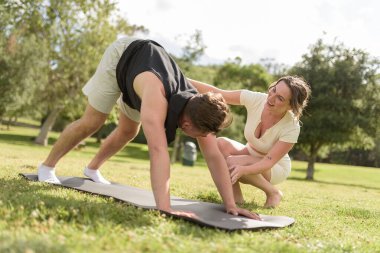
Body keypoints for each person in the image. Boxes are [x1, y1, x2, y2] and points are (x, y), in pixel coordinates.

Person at [37, 37, 259, 219]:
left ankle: (92, 169)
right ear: (187, 124)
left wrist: (230, 204)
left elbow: (213, 156)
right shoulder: (157, 99)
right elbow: (158, 151)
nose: (202, 139)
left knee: (128, 131)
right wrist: (165, 208)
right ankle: (47, 167)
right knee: (93, 121)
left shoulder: (198, 105)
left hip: (142, 71)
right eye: (200, 135)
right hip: (122, 58)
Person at [189, 76, 311, 208]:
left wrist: (244, 169)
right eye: (274, 90)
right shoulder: (257, 99)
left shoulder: (292, 126)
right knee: (220, 144)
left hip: (274, 167)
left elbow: (268, 161)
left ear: (291, 106)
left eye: (280, 98)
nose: (271, 98)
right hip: (250, 152)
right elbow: (219, 93)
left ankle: (273, 192)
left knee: (231, 162)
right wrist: (181, 79)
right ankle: (237, 199)